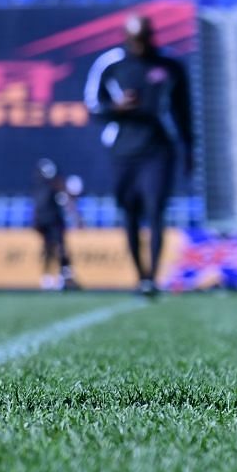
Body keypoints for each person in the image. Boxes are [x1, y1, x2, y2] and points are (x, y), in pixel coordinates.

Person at [85, 15, 194, 298]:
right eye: (135, 40)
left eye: (144, 38)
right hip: (123, 150)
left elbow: (184, 111)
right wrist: (116, 108)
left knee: (156, 209)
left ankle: (153, 278)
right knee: (130, 211)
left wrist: (188, 149)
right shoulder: (110, 64)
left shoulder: (170, 65)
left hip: (159, 148)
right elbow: (93, 106)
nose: (140, 45)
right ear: (125, 38)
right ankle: (139, 275)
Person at [29, 159, 81, 291]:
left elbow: (64, 201)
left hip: (51, 221)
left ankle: (62, 276)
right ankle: (55, 277)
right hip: (49, 221)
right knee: (53, 248)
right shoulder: (48, 187)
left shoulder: (50, 187)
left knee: (55, 248)